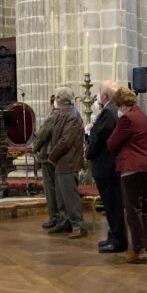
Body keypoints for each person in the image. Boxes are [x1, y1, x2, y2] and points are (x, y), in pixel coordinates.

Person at [107, 87, 147, 264]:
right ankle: (145, 245)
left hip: (132, 168)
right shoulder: (143, 116)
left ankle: (138, 250)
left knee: (132, 211)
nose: (118, 110)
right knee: (143, 208)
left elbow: (112, 143)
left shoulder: (127, 119)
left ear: (121, 104)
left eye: (118, 106)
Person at [87, 81, 126, 253]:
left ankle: (118, 240)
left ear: (104, 96)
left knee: (113, 205)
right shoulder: (111, 111)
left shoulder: (108, 113)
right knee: (112, 205)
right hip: (108, 165)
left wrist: (88, 147)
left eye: (99, 92)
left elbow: (99, 138)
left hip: (106, 165)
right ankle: (114, 236)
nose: (97, 95)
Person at [46, 87, 86, 238]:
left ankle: (78, 225)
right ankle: (64, 222)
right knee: (61, 196)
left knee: (70, 196)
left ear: (61, 100)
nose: (54, 101)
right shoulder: (63, 113)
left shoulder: (72, 116)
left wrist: (52, 155)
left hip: (68, 162)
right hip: (61, 162)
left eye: (56, 98)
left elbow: (65, 141)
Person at [32, 96, 60, 230]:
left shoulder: (53, 115)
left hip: (47, 154)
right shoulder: (67, 114)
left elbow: (43, 134)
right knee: (56, 187)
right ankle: (58, 215)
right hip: (56, 155)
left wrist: (35, 147)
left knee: (50, 188)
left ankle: (54, 216)